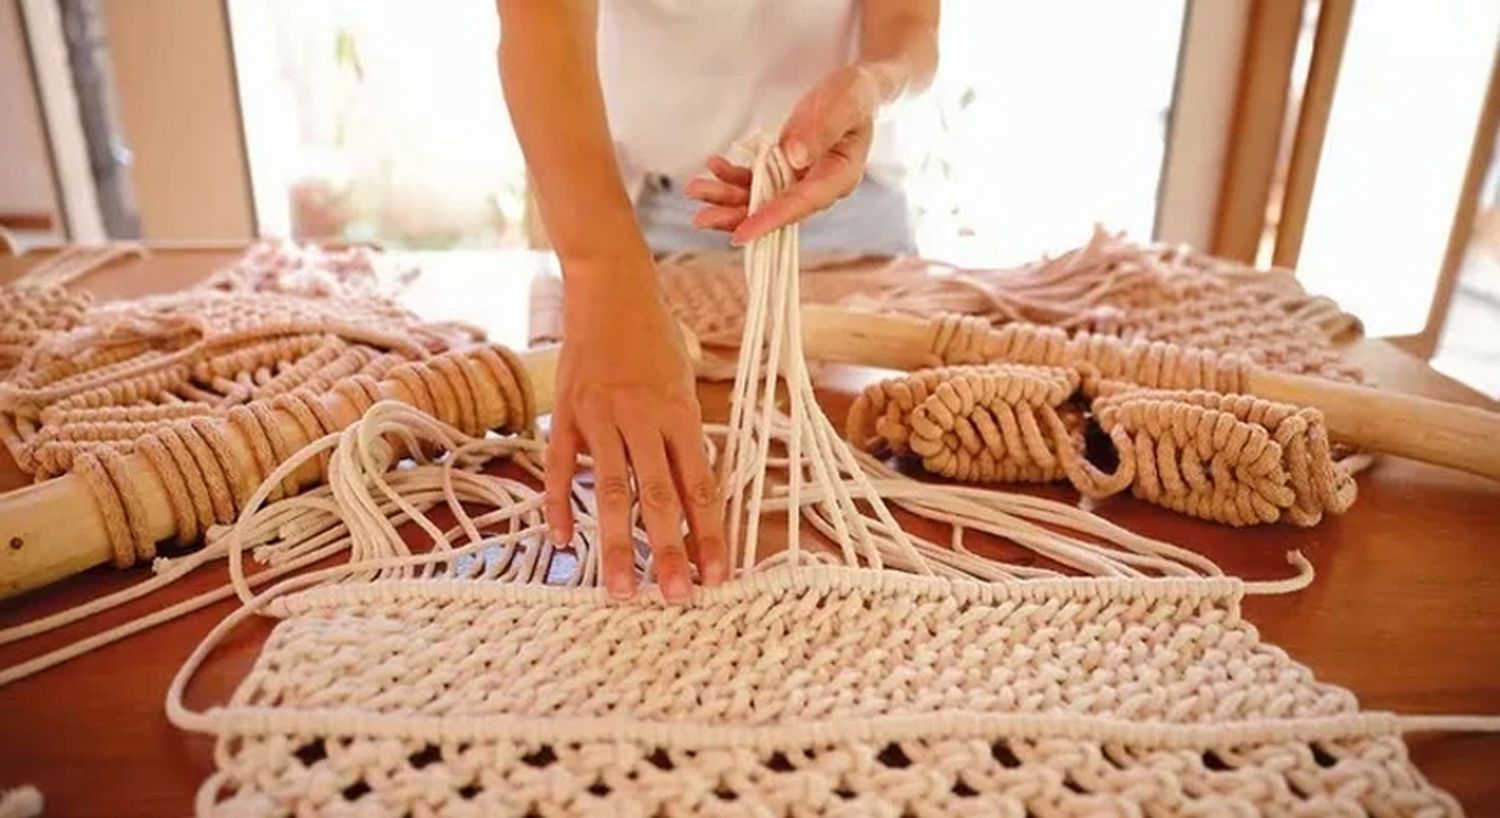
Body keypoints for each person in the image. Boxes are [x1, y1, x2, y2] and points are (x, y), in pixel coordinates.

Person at [495, 0, 939, 602]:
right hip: (650, 222)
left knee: (886, 482)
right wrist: (599, 269)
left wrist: (871, 86)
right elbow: (541, 19)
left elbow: (909, 28)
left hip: (852, 214)